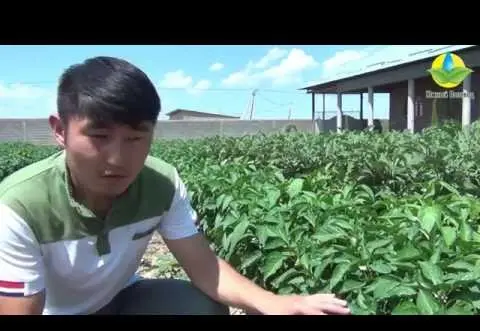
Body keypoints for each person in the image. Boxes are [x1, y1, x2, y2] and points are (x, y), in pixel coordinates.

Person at [0, 56, 351, 315]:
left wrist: (276, 304)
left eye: (136, 137)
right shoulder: (20, 205)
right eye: (99, 136)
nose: (117, 158)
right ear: (60, 130)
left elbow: (204, 267)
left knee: (203, 309)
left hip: (120, 299)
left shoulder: (161, 183)